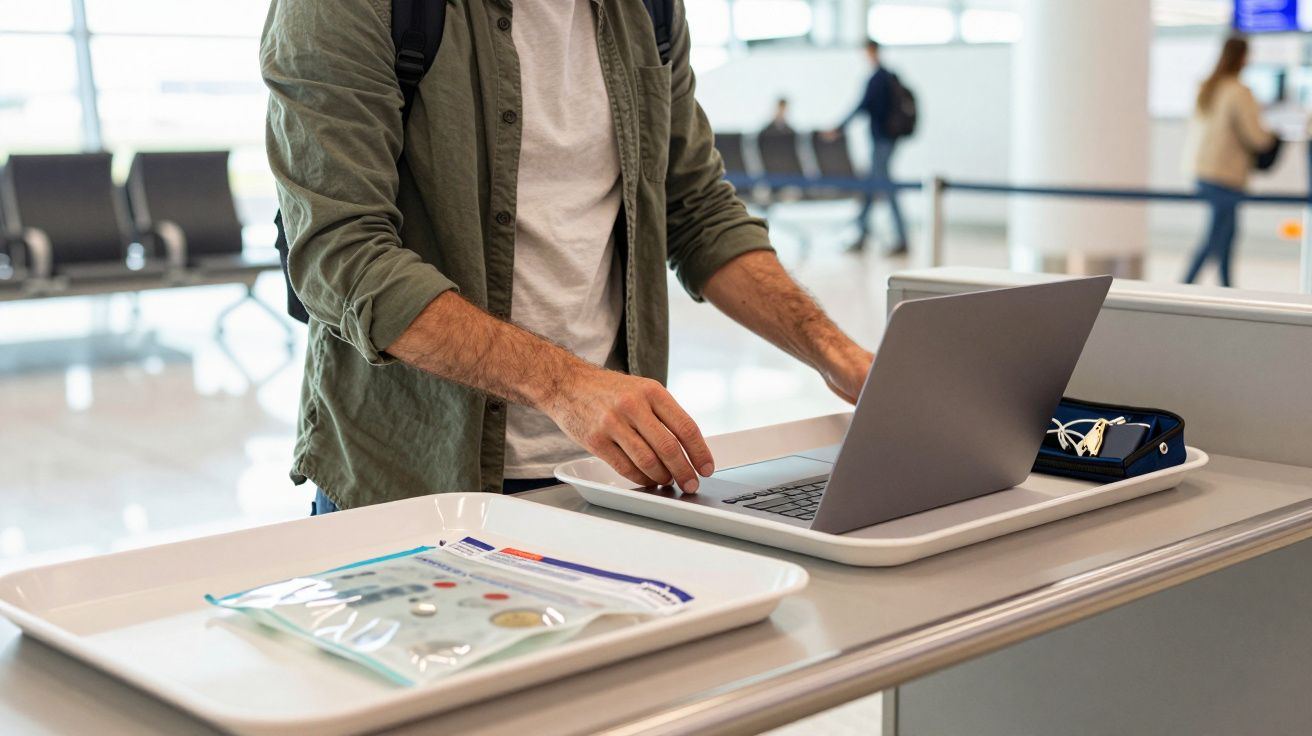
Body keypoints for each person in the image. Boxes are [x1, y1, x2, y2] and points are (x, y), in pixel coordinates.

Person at [261, 0, 875, 514]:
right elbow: (343, 254)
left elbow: (696, 209)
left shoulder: (649, 10)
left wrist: (841, 358)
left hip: (611, 476)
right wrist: (567, 386)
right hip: (413, 485)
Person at [1183, 35, 1276, 288]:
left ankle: (1226, 287)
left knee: (1226, 234)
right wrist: (1274, 137)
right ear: (1243, 57)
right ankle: (1185, 285)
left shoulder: (1207, 87)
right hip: (1225, 174)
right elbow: (1257, 137)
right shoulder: (1238, 91)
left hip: (1203, 170)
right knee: (1218, 236)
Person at [829, 39, 908, 255]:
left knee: (883, 188)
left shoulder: (878, 78)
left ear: (871, 52)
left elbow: (861, 106)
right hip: (885, 140)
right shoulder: (888, 77)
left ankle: (900, 239)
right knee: (871, 188)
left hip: (882, 140)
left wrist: (839, 127)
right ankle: (863, 235)